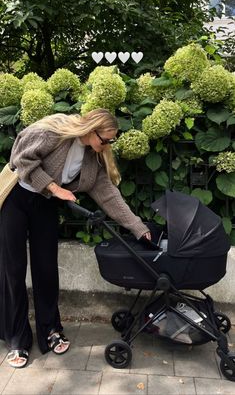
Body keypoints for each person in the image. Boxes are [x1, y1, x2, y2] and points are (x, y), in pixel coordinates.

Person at [0, 108, 151, 368]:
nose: (106, 146)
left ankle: (50, 329)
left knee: (46, 268)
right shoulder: (52, 133)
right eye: (104, 139)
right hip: (16, 199)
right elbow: (20, 159)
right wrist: (54, 187)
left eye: (110, 141)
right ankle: (17, 338)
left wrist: (138, 227)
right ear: (91, 129)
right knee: (12, 270)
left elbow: (109, 195)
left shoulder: (92, 160)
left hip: (45, 204)